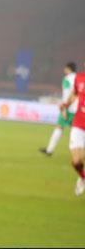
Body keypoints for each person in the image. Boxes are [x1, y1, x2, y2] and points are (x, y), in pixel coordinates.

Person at [40, 62, 78, 156]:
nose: (64, 70)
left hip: (69, 108)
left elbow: (67, 93)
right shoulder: (79, 78)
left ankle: (49, 150)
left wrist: (64, 107)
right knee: (78, 131)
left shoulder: (67, 79)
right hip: (79, 108)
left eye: (65, 68)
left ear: (68, 69)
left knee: (60, 127)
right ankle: (49, 150)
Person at [62, 62, 85, 196]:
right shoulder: (79, 78)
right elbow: (74, 93)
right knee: (76, 162)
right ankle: (83, 177)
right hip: (79, 124)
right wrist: (65, 105)